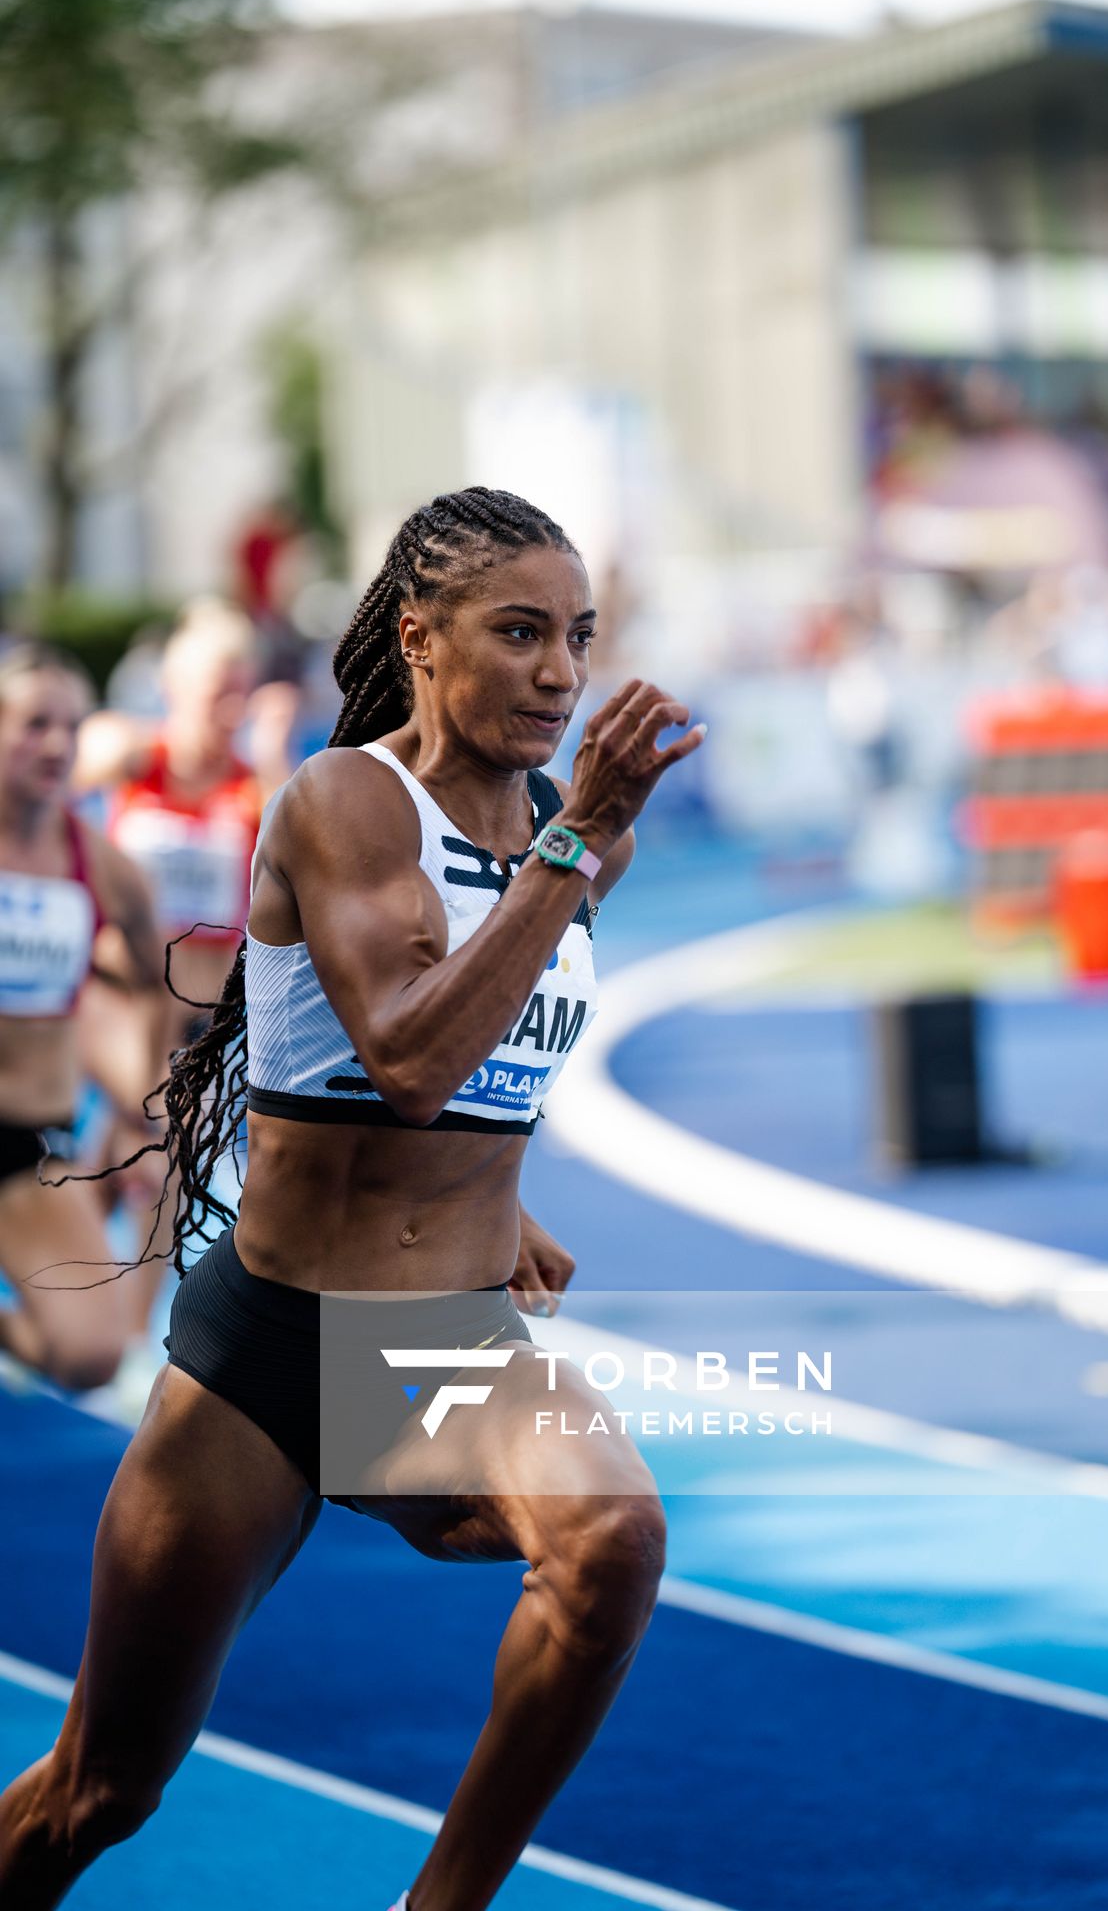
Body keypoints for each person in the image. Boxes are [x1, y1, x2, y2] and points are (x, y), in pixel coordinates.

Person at [0, 487, 705, 1910]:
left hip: (436, 1352)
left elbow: (490, 1075)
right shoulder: (343, 803)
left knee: (614, 1539)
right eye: (520, 633)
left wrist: (495, 1216)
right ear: (422, 640)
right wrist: (573, 854)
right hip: (272, 1353)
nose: (561, 673)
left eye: (578, 636)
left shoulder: (576, 833)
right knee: (100, 1792)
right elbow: (413, 1058)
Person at [73, 598, 282, 1368]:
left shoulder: (253, 788)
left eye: (242, 689)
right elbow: (74, 754)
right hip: (113, 1005)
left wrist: (266, 760)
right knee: (156, 1140)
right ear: (173, 684)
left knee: (156, 1163)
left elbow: (309, 854)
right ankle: (107, 1319)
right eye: (215, 688)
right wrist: (94, 740)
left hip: (196, 1021)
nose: (228, 706)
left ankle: (122, 1332)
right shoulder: (139, 758)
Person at [0, 643, 165, 1393]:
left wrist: (152, 1096)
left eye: (71, 726)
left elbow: (161, 976)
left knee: (92, 1357)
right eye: (36, 724)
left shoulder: (99, 865)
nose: (59, 745)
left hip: (27, 1150)